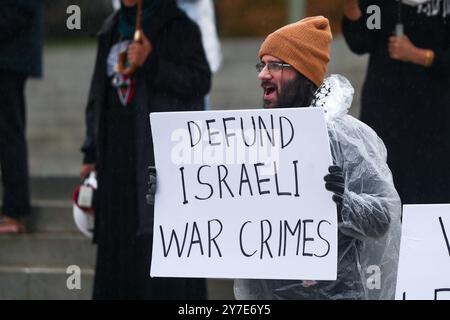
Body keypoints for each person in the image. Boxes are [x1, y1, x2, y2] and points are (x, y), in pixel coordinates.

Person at [232, 16, 402, 300]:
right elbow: (220, 205)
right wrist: (171, 193)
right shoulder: (252, 137)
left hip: (335, 293)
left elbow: (384, 218)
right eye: (262, 65)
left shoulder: (349, 137)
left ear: (303, 71)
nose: (263, 74)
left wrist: (343, 203)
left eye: (275, 65)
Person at [80, 0, 211, 299]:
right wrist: (90, 152)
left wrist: (152, 63)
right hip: (115, 166)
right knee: (118, 255)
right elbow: (98, 95)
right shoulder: (111, 28)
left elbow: (199, 81)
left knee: (154, 254)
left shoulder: (180, 28)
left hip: (157, 166)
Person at [342, 0, 450, 205]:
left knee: (433, 191)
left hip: (435, 116)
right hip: (386, 112)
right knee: (386, 186)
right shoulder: (379, 4)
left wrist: (421, 56)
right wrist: (351, 7)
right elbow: (363, 40)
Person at [0, 0, 43, 234]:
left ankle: (15, 212)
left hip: (10, 55)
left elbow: (21, 9)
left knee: (9, 132)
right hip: (11, 52)